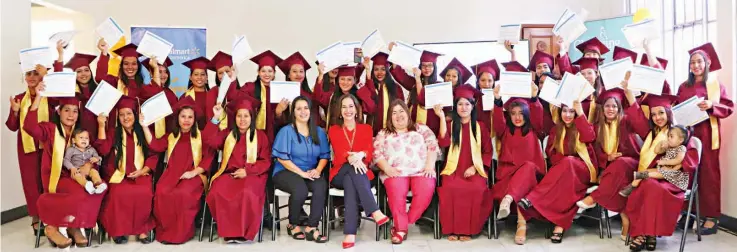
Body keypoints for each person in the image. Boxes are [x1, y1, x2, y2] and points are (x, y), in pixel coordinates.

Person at [620, 91, 700, 251]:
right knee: (648, 184)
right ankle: (649, 233)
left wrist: (671, 164)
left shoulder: (680, 132)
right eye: (654, 114)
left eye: (661, 113)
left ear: (669, 112)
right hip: (655, 177)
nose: (658, 117)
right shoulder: (652, 133)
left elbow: (690, 159)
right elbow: (637, 116)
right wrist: (628, 92)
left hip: (673, 180)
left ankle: (644, 233)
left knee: (650, 186)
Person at [24, 93, 105, 248]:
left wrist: (90, 166)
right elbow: (29, 127)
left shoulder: (80, 133)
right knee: (80, 192)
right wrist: (39, 97)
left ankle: (73, 227)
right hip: (56, 176)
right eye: (66, 110)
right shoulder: (49, 129)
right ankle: (52, 228)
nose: (71, 114)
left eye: (75, 111)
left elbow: (91, 153)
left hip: (76, 175)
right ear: (58, 111)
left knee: (97, 189)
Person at [518, 99, 597, 244]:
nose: (567, 115)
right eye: (565, 111)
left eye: (571, 111)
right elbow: (551, 155)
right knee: (566, 183)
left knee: (569, 162)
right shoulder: (556, 130)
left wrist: (580, 114)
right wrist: (565, 161)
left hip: (583, 170)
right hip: (564, 173)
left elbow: (589, 137)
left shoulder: (582, 126)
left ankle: (532, 198)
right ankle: (559, 227)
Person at [676, 42, 734, 234]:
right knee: (687, 172)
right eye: (692, 62)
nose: (696, 65)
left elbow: (728, 107)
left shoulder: (715, 86)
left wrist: (711, 105)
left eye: (699, 61)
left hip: (708, 134)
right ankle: (687, 212)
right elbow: (676, 108)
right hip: (688, 134)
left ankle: (711, 217)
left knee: (709, 175)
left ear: (707, 63)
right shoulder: (684, 86)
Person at [575, 88, 641, 240]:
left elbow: (641, 125)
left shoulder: (626, 122)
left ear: (619, 108)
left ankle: (594, 197)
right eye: (607, 106)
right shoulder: (598, 127)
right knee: (620, 183)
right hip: (612, 170)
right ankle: (626, 223)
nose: (611, 109)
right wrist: (607, 157)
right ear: (602, 108)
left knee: (621, 162)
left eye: (614, 106)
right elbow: (590, 142)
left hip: (630, 164)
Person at [148, 96, 215, 244]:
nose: (186, 120)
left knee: (183, 194)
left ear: (195, 119)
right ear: (177, 118)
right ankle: (166, 232)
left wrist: (193, 172)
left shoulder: (201, 136)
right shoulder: (172, 136)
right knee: (162, 191)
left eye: (190, 117)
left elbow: (209, 157)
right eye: (183, 116)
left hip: (195, 175)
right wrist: (145, 126)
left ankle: (182, 234)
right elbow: (156, 145)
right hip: (172, 174)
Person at [204, 96, 271, 243]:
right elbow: (209, 140)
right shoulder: (228, 134)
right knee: (217, 191)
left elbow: (265, 162)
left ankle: (243, 233)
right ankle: (228, 231)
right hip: (229, 175)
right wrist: (215, 118)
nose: (242, 119)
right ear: (234, 118)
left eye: (246, 116)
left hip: (253, 175)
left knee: (246, 193)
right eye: (239, 116)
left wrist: (247, 170)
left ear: (251, 117)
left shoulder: (260, 136)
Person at [373, 99, 440, 244]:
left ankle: (402, 224)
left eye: (401, 111)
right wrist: (387, 168)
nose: (398, 115)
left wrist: (429, 165)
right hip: (395, 172)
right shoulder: (383, 133)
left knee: (425, 191)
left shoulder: (420, 128)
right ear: (390, 117)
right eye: (394, 113)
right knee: (396, 195)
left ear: (408, 113)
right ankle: (402, 230)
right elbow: (377, 154)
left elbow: (432, 145)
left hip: (421, 171)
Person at [327, 94, 389, 248]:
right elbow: (340, 152)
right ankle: (374, 210)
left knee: (351, 181)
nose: (348, 110)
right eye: (344, 107)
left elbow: (368, 151)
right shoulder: (334, 129)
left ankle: (350, 233)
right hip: (339, 172)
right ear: (339, 111)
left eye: (351, 106)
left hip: (360, 172)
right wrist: (355, 156)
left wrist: (362, 154)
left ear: (356, 110)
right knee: (350, 170)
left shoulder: (366, 129)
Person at [94, 96, 158, 244]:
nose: (125, 117)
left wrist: (143, 170)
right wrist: (101, 126)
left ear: (135, 115)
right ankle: (119, 229)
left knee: (143, 192)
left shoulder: (142, 131)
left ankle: (142, 229)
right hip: (118, 174)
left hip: (140, 173)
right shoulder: (113, 132)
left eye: (129, 113)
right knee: (117, 194)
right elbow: (102, 150)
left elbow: (154, 153)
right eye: (121, 114)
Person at [435, 85, 493, 241]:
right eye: (460, 104)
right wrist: (441, 117)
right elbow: (443, 142)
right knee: (450, 188)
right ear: (456, 106)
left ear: (473, 106)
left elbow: (488, 152)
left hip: (475, 169)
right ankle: (452, 229)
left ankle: (468, 230)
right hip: (454, 169)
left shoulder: (480, 127)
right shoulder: (451, 125)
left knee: (475, 189)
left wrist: (475, 167)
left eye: (467, 104)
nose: (463, 107)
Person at [490, 83, 545, 245]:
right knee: (521, 186)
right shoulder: (505, 131)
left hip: (532, 180)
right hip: (507, 180)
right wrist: (498, 100)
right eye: (513, 113)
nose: (517, 117)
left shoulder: (535, 130)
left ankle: (510, 202)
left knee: (528, 167)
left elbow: (538, 115)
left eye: (521, 113)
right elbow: (498, 121)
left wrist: (534, 97)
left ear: (528, 114)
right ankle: (521, 225)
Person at [271, 96, 331, 243]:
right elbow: (282, 159)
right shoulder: (286, 131)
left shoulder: (318, 132)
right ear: (293, 112)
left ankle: (312, 227)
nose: (303, 112)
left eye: (306, 108)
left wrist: (317, 170)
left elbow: (324, 155)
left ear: (310, 111)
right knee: (300, 189)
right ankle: (293, 224)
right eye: (298, 108)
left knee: (320, 186)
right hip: (285, 171)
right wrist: (302, 173)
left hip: (310, 170)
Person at [6, 64, 53, 235]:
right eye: (28, 74)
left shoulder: (50, 96)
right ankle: (35, 217)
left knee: (48, 180)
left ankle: (51, 216)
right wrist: (15, 112)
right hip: (27, 149)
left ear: (41, 76)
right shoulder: (19, 98)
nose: (32, 77)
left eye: (35, 74)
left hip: (48, 145)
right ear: (24, 77)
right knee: (31, 183)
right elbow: (12, 127)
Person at [619, 125, 690, 197]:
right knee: (647, 170)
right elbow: (657, 151)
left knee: (658, 173)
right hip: (664, 169)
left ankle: (644, 176)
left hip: (675, 174)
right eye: (668, 136)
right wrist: (661, 144)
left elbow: (679, 160)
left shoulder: (682, 148)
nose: (668, 138)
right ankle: (632, 186)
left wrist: (665, 162)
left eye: (671, 136)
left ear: (681, 140)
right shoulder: (669, 146)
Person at [388, 44, 444, 135]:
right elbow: (399, 74)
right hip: (413, 128)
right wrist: (393, 52)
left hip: (432, 129)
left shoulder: (438, 86)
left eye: (430, 65)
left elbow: (423, 100)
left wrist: (418, 78)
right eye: (423, 66)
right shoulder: (413, 83)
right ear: (419, 67)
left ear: (434, 67)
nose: (427, 68)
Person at [54, 41, 100, 142]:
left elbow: (102, 75)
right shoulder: (71, 93)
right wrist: (60, 55)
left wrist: (104, 53)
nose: (83, 74)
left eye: (86, 70)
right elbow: (57, 82)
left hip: (98, 137)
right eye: (78, 71)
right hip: (77, 140)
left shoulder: (98, 91)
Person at [239, 50, 285, 142]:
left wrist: (278, 113)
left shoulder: (278, 91)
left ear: (274, 73)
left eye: (270, 71)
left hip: (271, 134)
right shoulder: (249, 87)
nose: (267, 74)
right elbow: (238, 102)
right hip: (250, 132)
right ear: (258, 72)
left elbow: (281, 120)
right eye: (263, 71)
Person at [363, 52, 405, 135]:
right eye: (376, 69)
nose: (379, 73)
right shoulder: (370, 87)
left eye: (383, 69)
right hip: (373, 132)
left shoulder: (396, 88)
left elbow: (402, 110)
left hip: (393, 132)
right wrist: (367, 70)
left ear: (387, 70)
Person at [279, 52, 323, 126]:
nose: (298, 74)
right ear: (289, 75)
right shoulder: (282, 94)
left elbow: (318, 101)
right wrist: (278, 111)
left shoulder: (309, 94)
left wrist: (321, 74)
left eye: (301, 71)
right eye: (294, 71)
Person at [140, 56, 179, 138]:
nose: (163, 75)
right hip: (149, 135)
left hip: (168, 136)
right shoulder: (145, 90)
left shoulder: (171, 93)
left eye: (165, 71)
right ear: (151, 72)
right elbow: (156, 92)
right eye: (159, 71)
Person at [63, 128, 106, 194]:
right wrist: (72, 168)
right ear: (74, 140)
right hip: (77, 170)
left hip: (89, 170)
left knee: (94, 172)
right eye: (81, 137)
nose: (84, 140)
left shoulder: (91, 149)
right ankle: (87, 185)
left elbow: (98, 157)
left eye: (86, 138)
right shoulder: (71, 149)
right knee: (77, 176)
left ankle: (98, 185)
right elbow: (65, 160)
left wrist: (97, 159)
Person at [180, 56, 212, 130]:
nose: (199, 77)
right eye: (196, 74)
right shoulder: (184, 97)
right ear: (190, 77)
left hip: (210, 136)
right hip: (191, 136)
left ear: (207, 78)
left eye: (202, 74)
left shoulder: (213, 96)